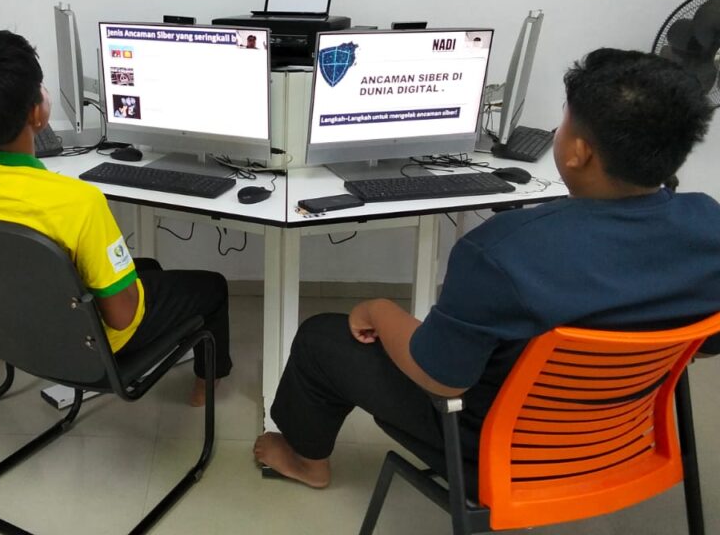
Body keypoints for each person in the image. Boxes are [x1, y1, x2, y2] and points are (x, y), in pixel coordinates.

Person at [254, 47, 720, 489]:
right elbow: (706, 343)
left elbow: (441, 380)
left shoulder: (502, 250)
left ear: (578, 152)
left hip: (497, 453)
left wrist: (378, 309)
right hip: (622, 444)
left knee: (321, 337)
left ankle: (306, 462)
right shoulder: (709, 224)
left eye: (563, 121)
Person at [0, 29, 233, 405]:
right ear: (37, 113)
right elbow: (122, 317)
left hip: (15, 328)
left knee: (149, 268)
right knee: (212, 286)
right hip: (91, 350)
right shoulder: (78, 202)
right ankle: (208, 383)